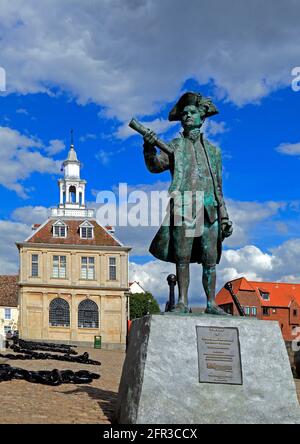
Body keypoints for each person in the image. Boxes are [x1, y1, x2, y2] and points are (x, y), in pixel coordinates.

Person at [143, 91, 233, 314]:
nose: (187, 116)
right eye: (184, 114)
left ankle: (211, 303)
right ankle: (182, 301)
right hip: (184, 207)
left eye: (192, 112)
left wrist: (224, 216)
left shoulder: (214, 151)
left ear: (202, 117)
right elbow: (155, 166)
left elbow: (218, 186)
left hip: (210, 209)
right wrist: (148, 147)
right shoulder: (174, 146)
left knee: (209, 259)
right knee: (182, 258)